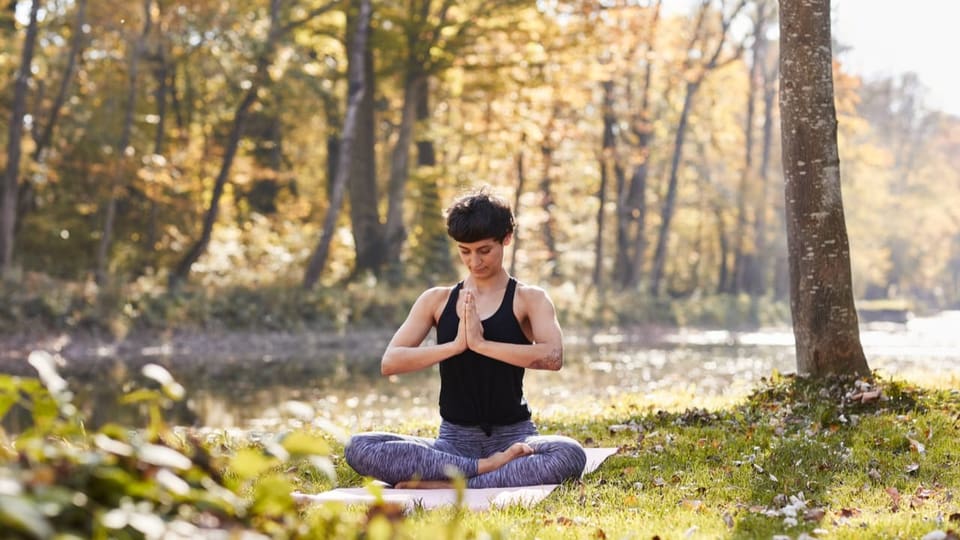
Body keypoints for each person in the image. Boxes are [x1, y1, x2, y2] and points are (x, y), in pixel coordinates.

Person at [344, 188, 586, 489]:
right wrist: (456, 346)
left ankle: (454, 483)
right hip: (453, 444)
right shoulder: (437, 300)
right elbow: (390, 362)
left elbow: (553, 357)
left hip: (515, 438)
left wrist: (482, 345)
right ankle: (484, 469)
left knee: (569, 454)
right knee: (360, 447)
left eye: (484, 250)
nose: (474, 261)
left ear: (506, 238)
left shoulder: (529, 299)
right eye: (464, 251)